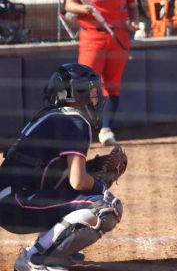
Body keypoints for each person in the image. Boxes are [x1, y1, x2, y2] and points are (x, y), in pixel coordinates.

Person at [0, 63, 123, 271]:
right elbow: (78, 181)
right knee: (107, 206)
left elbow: (58, 175)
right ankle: (36, 259)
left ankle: (58, 251)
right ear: (76, 93)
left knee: (91, 196)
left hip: (13, 200)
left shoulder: (55, 116)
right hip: (17, 203)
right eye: (92, 91)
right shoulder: (74, 121)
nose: (96, 98)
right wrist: (99, 184)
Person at [65, 0, 139, 146]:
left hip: (118, 36)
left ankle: (106, 129)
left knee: (112, 85)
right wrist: (84, 8)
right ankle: (81, 128)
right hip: (92, 35)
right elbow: (69, 5)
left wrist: (133, 22)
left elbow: (132, 7)